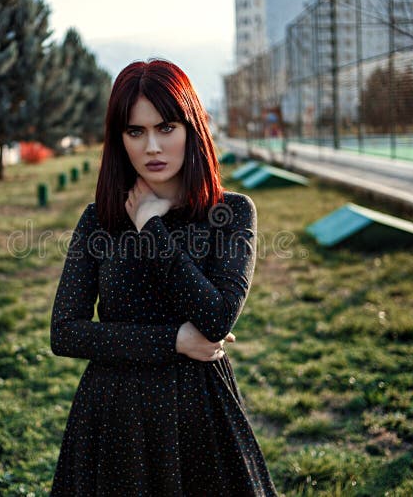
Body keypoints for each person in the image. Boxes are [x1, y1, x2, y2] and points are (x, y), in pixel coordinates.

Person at [49, 58, 277, 496]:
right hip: (116, 415)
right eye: (136, 132)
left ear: (191, 129)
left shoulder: (230, 215)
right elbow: (65, 333)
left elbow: (216, 319)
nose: (152, 146)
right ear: (120, 140)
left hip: (198, 411)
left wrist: (152, 229)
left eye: (166, 128)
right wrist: (172, 340)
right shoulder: (100, 221)